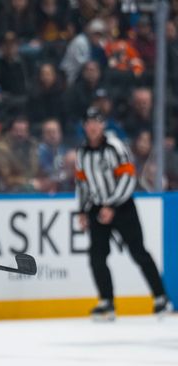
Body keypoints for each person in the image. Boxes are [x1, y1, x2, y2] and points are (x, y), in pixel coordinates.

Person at [75, 107, 172, 321]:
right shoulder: (82, 152)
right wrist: (81, 210)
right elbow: (82, 183)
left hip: (122, 207)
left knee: (138, 252)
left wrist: (112, 205)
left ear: (102, 125)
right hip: (97, 208)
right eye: (88, 123)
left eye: (96, 122)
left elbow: (128, 178)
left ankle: (160, 297)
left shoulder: (116, 147)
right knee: (97, 256)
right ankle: (107, 302)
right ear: (84, 127)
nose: (92, 126)